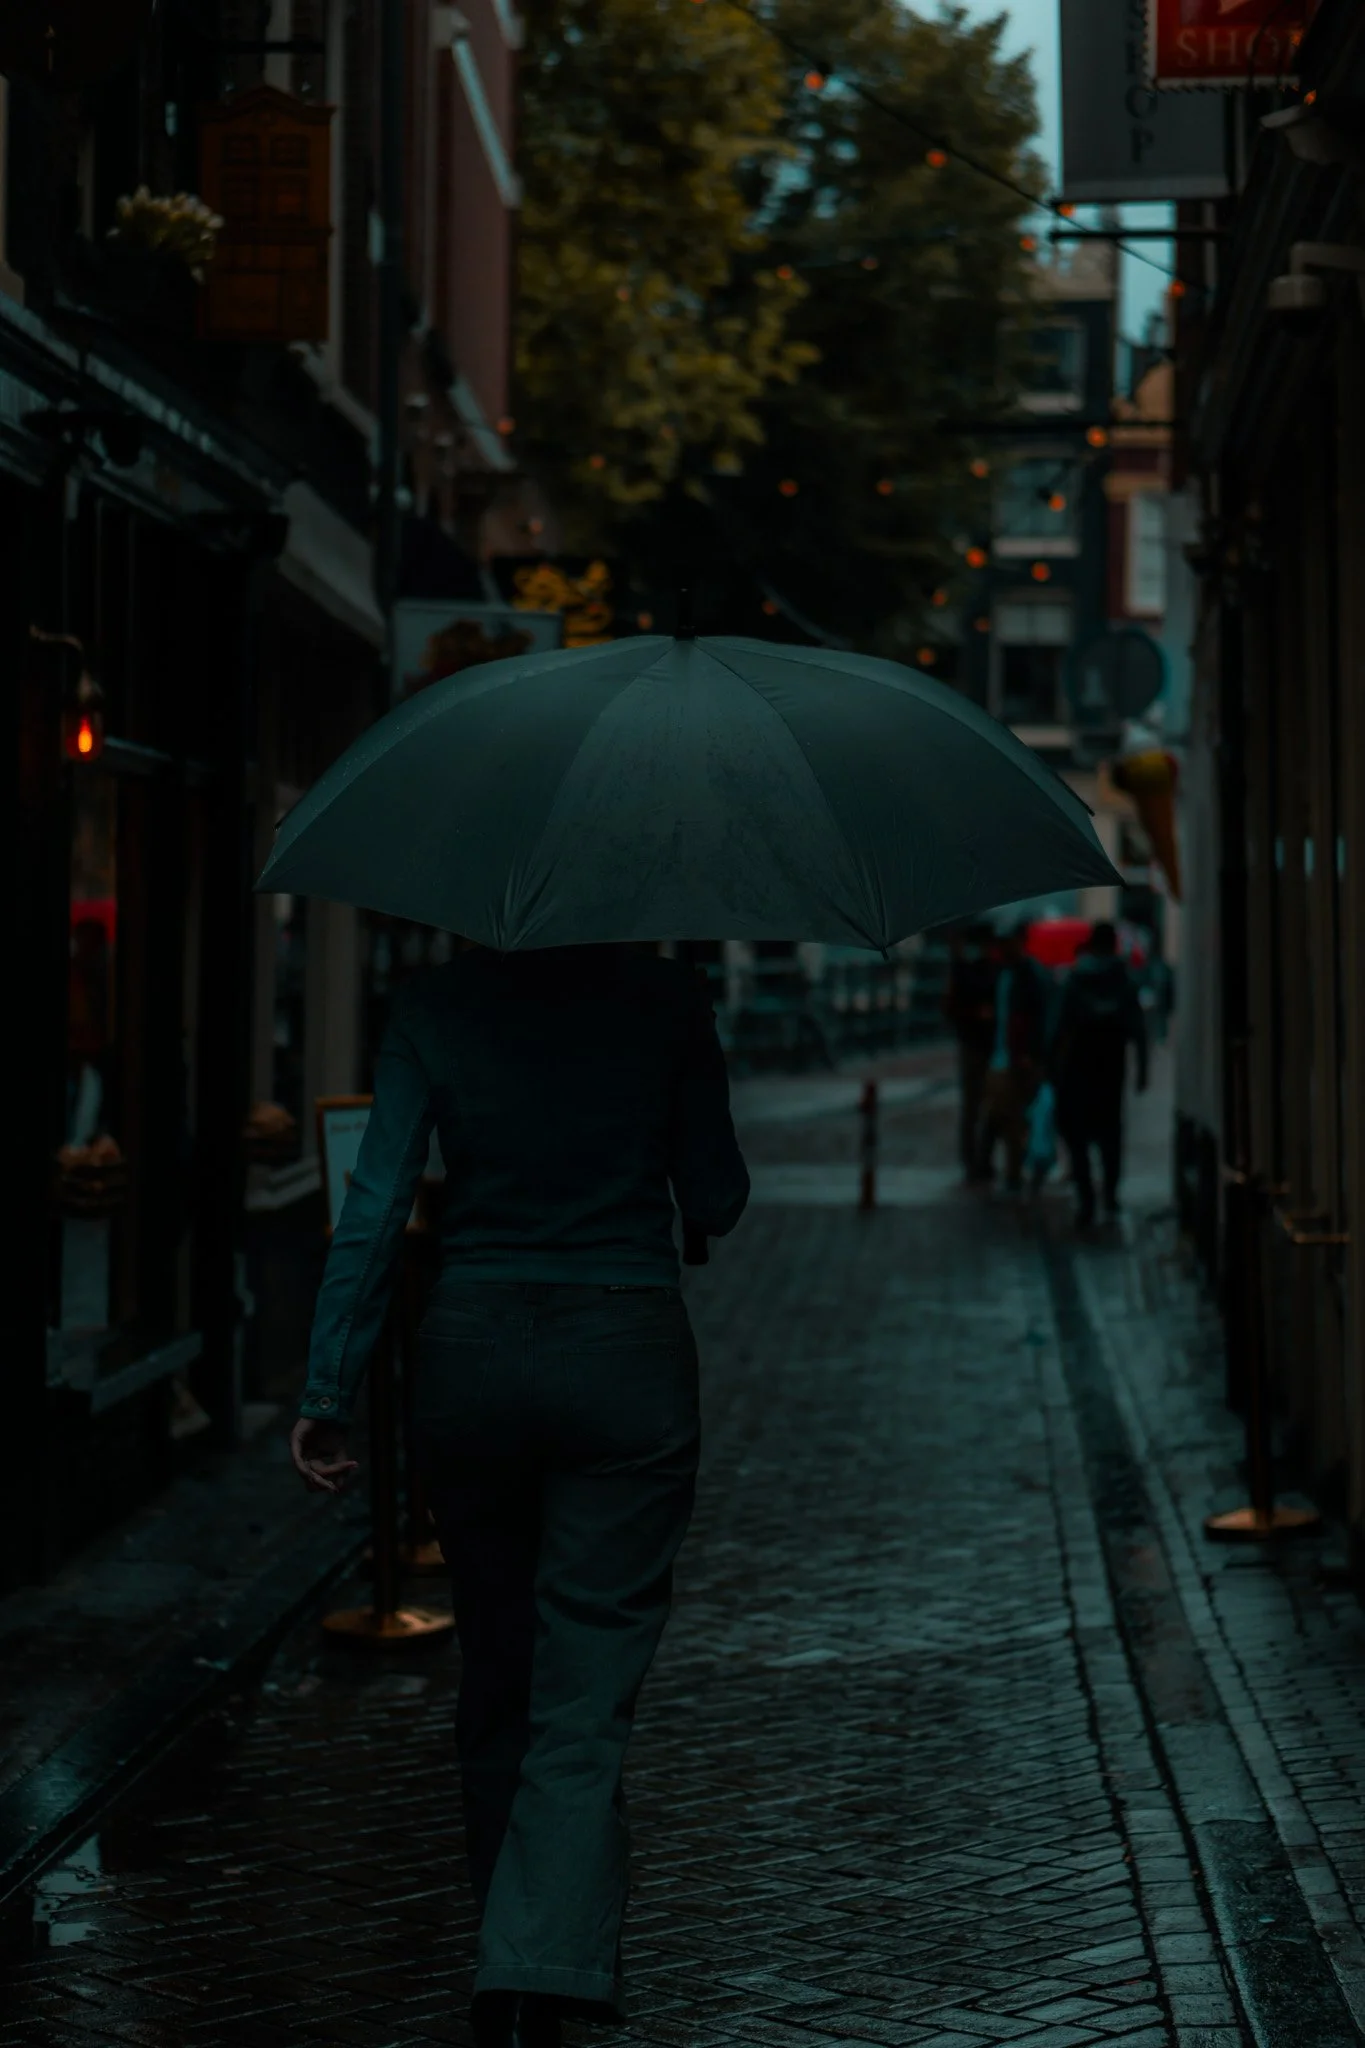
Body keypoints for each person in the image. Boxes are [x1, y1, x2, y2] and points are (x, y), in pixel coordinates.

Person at [289, 940, 750, 2048]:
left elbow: (376, 1201)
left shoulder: (435, 1004)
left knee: (496, 1668)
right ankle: (535, 1961)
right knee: (584, 1684)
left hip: (473, 1357)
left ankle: (515, 1939)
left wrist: (327, 1386)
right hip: (626, 1356)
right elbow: (719, 1195)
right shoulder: (668, 995)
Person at [1050, 920, 1149, 1228]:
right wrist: (1142, 1071)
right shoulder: (1125, 981)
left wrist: (1050, 1069)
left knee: (1076, 1136)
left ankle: (1086, 1197)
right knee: (1111, 1134)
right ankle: (1110, 1192)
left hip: (1078, 1069)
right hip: (1112, 1069)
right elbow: (1139, 1031)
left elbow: (1057, 1030)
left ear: (1091, 944)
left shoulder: (1075, 979)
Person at [974, 922, 1051, 1195]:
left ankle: (1013, 1174)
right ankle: (1002, 1170)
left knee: (1012, 1119)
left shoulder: (1029, 975)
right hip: (999, 1058)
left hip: (1016, 1059)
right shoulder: (1000, 973)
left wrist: (1030, 1053)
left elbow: (1039, 1018)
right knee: (999, 1115)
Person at [942, 922, 999, 1183]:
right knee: (974, 1106)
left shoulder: (989, 968)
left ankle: (981, 1159)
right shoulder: (964, 969)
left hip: (986, 1043)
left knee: (986, 1106)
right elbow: (950, 1007)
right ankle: (973, 1161)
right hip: (974, 1043)